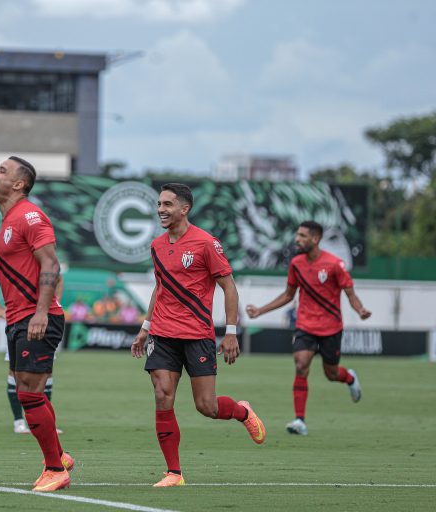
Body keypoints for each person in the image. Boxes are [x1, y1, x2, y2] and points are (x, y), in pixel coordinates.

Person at [131, 183, 266, 488]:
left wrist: (230, 332)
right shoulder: (157, 245)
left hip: (197, 335)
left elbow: (229, 287)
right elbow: (160, 287)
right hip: (163, 334)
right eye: (159, 204)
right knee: (162, 395)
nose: (160, 210)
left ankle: (242, 411)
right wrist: (145, 327)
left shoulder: (206, 244)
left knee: (207, 406)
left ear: (185, 209)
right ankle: (174, 473)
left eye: (167, 204)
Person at [0, 155, 72, 492]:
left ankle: (55, 469)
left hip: (35, 317)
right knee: (27, 391)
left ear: (19, 184)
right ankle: (59, 457)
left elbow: (51, 264)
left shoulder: (30, 216)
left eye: (2, 171)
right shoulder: (9, 221)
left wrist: (41, 311)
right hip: (19, 318)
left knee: (30, 392)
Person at [245, 220, 371, 436]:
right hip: (305, 325)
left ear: (315, 239)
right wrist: (260, 310)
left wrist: (360, 310)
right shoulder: (296, 263)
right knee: (301, 365)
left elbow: (350, 294)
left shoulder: (335, 264)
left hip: (331, 328)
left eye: (302, 236)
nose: (297, 239)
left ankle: (349, 378)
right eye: (297, 235)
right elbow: (288, 295)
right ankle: (299, 420)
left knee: (332, 373)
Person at [0, 260, 61, 435]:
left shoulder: (42, 257)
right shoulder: (4, 258)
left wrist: (54, 304)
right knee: (15, 373)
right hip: (18, 322)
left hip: (43, 321)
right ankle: (19, 422)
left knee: (46, 372)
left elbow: (58, 278)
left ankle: (46, 423)